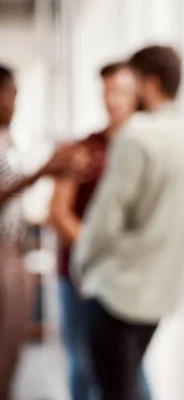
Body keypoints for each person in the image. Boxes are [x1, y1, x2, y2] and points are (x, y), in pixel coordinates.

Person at [71, 45, 184, 400]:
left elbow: (105, 219)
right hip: (159, 294)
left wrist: (81, 265)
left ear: (150, 83)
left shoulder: (137, 135)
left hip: (117, 292)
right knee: (127, 386)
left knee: (114, 390)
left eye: (132, 84)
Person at [49, 62, 152, 400]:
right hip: (79, 276)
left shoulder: (147, 151)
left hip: (126, 280)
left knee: (129, 368)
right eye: (106, 91)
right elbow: (58, 214)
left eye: (120, 91)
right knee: (82, 364)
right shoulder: (81, 150)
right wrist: (98, 257)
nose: (112, 100)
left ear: (137, 95)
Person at [0, 64, 88, 400]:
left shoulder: (9, 137)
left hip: (15, 251)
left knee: (11, 348)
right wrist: (42, 172)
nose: (15, 103)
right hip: (3, 253)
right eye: (11, 94)